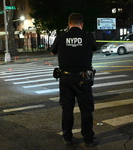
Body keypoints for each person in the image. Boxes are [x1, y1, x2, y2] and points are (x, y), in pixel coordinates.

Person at [50, 13, 98, 147]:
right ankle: (88, 139)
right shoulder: (88, 37)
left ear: (69, 24)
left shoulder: (61, 37)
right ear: (81, 24)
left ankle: (68, 138)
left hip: (65, 78)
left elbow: (52, 52)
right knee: (86, 109)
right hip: (83, 78)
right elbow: (95, 47)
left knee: (67, 109)